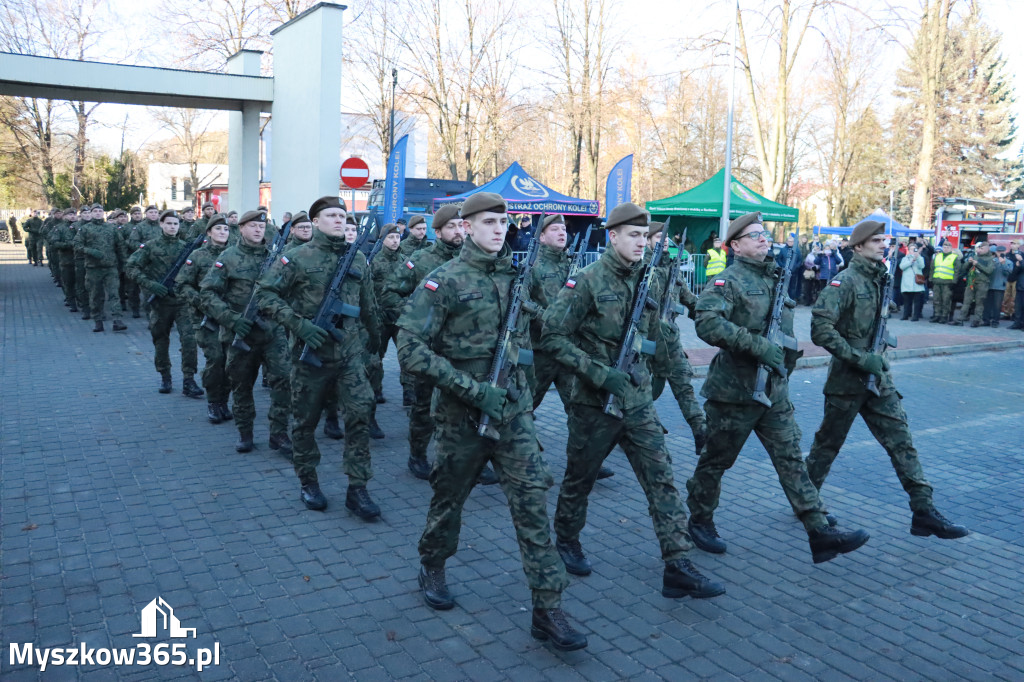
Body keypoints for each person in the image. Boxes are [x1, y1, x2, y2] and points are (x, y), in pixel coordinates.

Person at [397, 191, 586, 651]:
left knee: (532, 503)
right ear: (466, 227)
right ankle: (433, 563)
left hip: (513, 412)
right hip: (462, 416)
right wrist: (468, 388)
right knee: (449, 498)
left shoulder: (516, 276)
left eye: (503, 223)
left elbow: (546, 327)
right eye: (488, 222)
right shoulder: (444, 281)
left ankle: (547, 606)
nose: (499, 229)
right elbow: (409, 346)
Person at [541, 201, 726, 600]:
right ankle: (567, 539)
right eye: (634, 235)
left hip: (638, 399)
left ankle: (677, 563)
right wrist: (597, 372)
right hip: (594, 403)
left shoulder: (652, 280)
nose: (642, 243)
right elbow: (552, 336)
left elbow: (657, 336)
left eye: (645, 236)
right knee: (579, 478)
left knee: (661, 477)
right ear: (613, 236)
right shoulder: (586, 281)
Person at [685, 211, 870, 564]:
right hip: (733, 394)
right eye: (754, 235)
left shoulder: (775, 278)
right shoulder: (727, 282)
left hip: (773, 391)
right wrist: (757, 346)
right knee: (715, 461)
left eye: (764, 233)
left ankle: (819, 531)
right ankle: (700, 518)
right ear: (735, 246)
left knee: (790, 460)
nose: (763, 238)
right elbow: (706, 324)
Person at [805, 219, 968, 540]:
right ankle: (806, 503)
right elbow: (820, 330)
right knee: (827, 446)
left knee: (902, 442)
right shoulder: (845, 282)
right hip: (847, 382)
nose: (884, 244)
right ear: (858, 247)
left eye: (885, 240)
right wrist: (859, 357)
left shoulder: (880, 278)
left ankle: (924, 511)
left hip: (878, 380)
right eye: (876, 240)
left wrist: (876, 358)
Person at [256, 196, 383, 520]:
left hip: (349, 356)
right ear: (315, 221)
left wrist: (375, 348)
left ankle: (358, 487)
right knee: (305, 422)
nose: (339, 220)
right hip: (308, 357)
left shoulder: (357, 260)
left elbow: (368, 306)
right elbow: (265, 296)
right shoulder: (296, 257)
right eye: (331, 215)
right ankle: (308, 481)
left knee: (359, 414)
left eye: (343, 215)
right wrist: (300, 325)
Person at [381, 205, 500, 483]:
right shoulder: (419, 261)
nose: (458, 232)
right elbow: (388, 294)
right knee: (423, 407)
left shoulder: (477, 262)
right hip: (430, 351)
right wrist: (422, 318)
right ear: (437, 232)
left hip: (465, 352)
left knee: (469, 407)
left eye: (461, 226)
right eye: (451, 227)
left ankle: (476, 460)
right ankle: (418, 455)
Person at [200, 209, 292, 455]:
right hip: (240, 335)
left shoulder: (275, 257)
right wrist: (232, 320)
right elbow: (207, 293)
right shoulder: (227, 257)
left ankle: (279, 433)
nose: (258, 229)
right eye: (252, 226)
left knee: (284, 380)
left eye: (261, 226)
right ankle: (245, 433)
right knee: (241, 386)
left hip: (273, 333)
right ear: (241, 228)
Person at [126, 210, 203, 397]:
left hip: (182, 302)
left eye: (175, 224)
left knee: (189, 341)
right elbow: (131, 267)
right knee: (161, 341)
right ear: (161, 224)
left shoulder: (186, 248)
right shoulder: (151, 247)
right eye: (168, 223)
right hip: (160, 303)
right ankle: (165, 376)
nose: (172, 227)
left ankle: (189, 379)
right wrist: (151, 285)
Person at [647, 222, 706, 457]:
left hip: (671, 342)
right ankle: (631, 425)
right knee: (644, 392)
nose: (663, 240)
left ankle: (700, 431)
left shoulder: (673, 269)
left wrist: (709, 314)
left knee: (684, 388)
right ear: (648, 240)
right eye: (657, 236)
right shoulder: (640, 267)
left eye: (665, 236)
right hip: (646, 343)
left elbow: (690, 300)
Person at [176, 214, 233, 424]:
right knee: (215, 359)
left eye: (226, 229)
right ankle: (212, 401)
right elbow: (182, 284)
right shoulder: (198, 256)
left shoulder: (233, 254)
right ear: (209, 232)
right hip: (205, 318)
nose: (222, 233)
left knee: (229, 361)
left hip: (229, 317)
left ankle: (224, 402)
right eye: (218, 229)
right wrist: (201, 302)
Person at [74, 203, 128, 333]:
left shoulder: (111, 228)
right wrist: (90, 251)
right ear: (91, 213)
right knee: (95, 295)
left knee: (114, 294)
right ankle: (98, 320)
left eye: (100, 211)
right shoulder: (85, 229)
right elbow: (76, 245)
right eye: (95, 211)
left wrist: (125, 263)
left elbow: (120, 246)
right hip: (93, 268)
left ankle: (117, 320)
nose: (98, 213)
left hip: (110, 267)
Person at [951, 242, 995, 327]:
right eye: (979, 248)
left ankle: (977, 320)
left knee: (979, 302)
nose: (979, 250)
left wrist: (977, 264)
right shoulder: (975, 256)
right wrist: (969, 262)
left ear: (987, 249)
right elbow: (964, 268)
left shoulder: (990, 259)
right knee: (966, 301)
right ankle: (960, 319)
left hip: (982, 283)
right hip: (971, 282)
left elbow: (989, 271)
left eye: (981, 249)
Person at [49, 210, 79, 311]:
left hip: (81, 260)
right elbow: (54, 243)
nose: (73, 216)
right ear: (65, 216)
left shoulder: (81, 227)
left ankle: (81, 302)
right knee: (68, 282)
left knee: (80, 283)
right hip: (66, 260)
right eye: (70, 214)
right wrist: (68, 245)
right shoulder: (60, 228)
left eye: (74, 214)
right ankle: (71, 302)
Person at [929, 240, 960, 323]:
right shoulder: (937, 256)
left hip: (947, 283)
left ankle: (944, 316)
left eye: (947, 247)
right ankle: (937, 315)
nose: (946, 249)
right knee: (936, 300)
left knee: (946, 300)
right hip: (937, 281)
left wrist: (954, 282)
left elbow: (957, 271)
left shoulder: (954, 257)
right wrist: (930, 280)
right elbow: (932, 269)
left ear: (951, 248)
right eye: (944, 247)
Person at [985, 247, 1012, 328]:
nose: (1000, 253)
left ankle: (995, 321)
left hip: (1000, 286)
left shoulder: (1008, 262)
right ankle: (986, 320)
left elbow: (1008, 273)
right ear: (996, 252)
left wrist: (1003, 264)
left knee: (997, 305)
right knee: (987, 304)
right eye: (998, 251)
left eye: (1002, 251)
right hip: (990, 285)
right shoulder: (992, 260)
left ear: (1005, 252)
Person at [898, 242, 926, 321]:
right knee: (907, 301)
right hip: (907, 283)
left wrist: (918, 257)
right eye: (911, 249)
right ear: (909, 250)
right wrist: (911, 261)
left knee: (917, 302)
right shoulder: (905, 258)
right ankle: (906, 315)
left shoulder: (920, 258)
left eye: (915, 249)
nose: (913, 251)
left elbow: (922, 266)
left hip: (917, 283)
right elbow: (902, 267)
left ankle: (915, 316)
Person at [775, 235, 802, 301]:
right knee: (784, 286)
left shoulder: (797, 250)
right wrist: (783, 266)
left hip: (794, 272)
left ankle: (791, 300)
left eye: (792, 241)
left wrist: (795, 267)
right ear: (787, 242)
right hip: (784, 272)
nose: (790, 242)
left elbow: (800, 261)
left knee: (792, 287)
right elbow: (779, 259)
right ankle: (783, 300)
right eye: (789, 241)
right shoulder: (782, 249)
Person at [1010, 246, 1024, 330]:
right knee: (1018, 307)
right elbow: (1013, 275)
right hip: (1020, 287)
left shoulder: (1022, 260)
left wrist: (1021, 261)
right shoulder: (1021, 260)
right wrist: (1017, 266)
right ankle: (1017, 323)